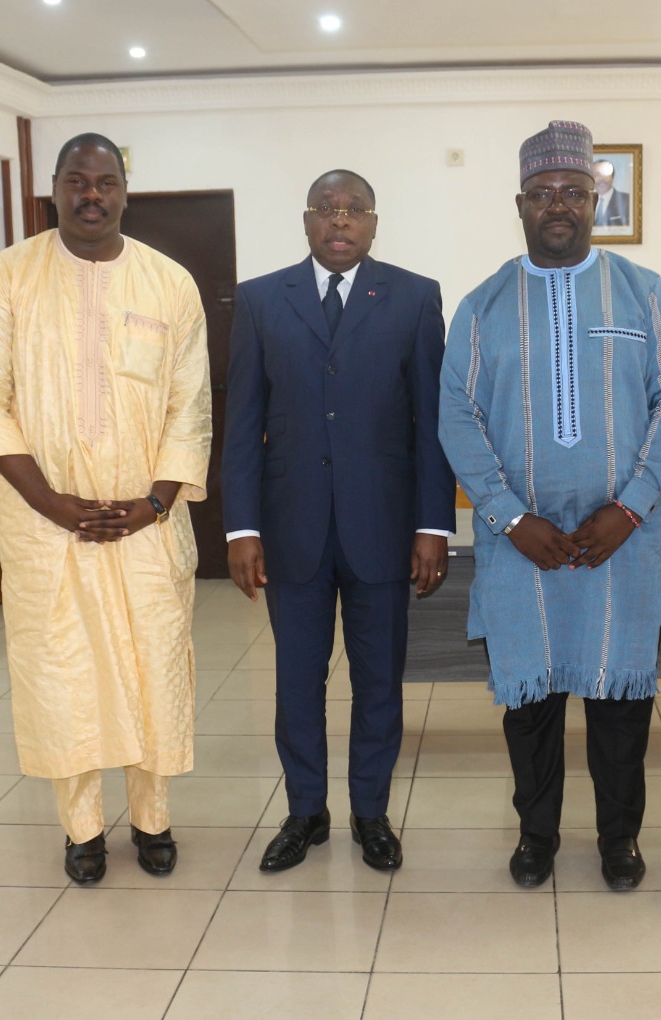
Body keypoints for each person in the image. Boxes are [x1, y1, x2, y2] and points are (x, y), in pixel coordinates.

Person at [439, 120, 661, 891]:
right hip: (522, 545)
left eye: (574, 192)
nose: (558, 205)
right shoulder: (483, 306)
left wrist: (634, 505)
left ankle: (620, 839)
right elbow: (457, 415)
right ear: (520, 204)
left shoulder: (645, 294)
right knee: (532, 705)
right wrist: (509, 516)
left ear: (595, 201)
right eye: (543, 193)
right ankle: (537, 836)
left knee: (620, 704)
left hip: (623, 540)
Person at [0, 132, 210, 884]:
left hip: (146, 528)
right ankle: (81, 830)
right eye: (77, 181)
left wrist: (154, 503)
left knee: (152, 669)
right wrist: (53, 504)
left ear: (126, 192)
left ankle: (153, 820)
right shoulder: (5, 278)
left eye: (105, 182)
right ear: (55, 190)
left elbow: (189, 407)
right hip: (46, 529)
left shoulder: (170, 284)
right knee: (65, 677)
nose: (91, 195)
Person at [223, 169, 454, 874]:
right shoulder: (261, 300)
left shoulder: (414, 297)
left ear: (374, 223)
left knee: (379, 681)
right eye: (327, 208)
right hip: (290, 528)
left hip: (383, 527)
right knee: (298, 683)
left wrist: (434, 525)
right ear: (307, 220)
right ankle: (305, 812)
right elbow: (243, 423)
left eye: (355, 209)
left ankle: (371, 814)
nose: (341, 220)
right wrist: (241, 529)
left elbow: (431, 423)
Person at [592, 159, 632, 228]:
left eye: (605, 174)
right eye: (596, 175)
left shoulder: (627, 200)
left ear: (612, 177)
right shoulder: (585, 201)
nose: (601, 178)